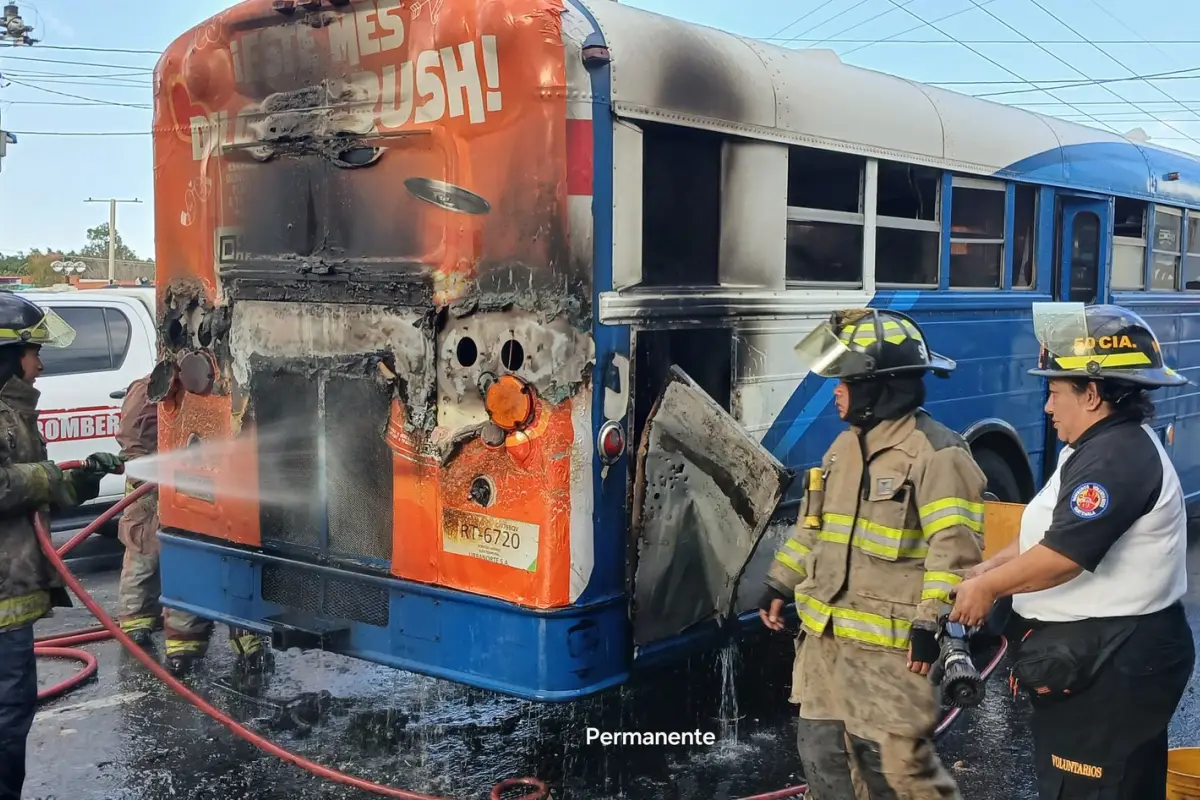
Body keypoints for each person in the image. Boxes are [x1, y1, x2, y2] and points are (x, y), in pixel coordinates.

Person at [950, 302, 1194, 800]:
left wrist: (988, 590)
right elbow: (1046, 531)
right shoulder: (1092, 448)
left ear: (1093, 393)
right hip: (1100, 658)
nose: (1046, 406)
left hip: (1115, 665)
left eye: (1054, 391)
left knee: (1092, 789)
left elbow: (1063, 555)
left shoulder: (1115, 457)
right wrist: (987, 568)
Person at [758, 308, 986, 800]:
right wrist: (781, 581)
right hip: (826, 650)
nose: (835, 390)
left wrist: (934, 625)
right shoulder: (843, 449)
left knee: (892, 778)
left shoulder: (937, 454)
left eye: (845, 380)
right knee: (823, 761)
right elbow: (813, 530)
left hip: (894, 659)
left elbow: (957, 555)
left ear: (877, 388)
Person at [0, 293, 124, 800]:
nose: (41, 362)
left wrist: (83, 482)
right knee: (7, 716)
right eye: (33, 351)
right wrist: (48, 477)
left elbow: (37, 492)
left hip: (11, 595)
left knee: (14, 712)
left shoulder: (14, 411)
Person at [114, 370, 271, 679]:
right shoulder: (165, 388)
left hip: (185, 490)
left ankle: (175, 642)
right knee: (209, 558)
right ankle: (159, 633)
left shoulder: (160, 386)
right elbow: (137, 438)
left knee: (175, 559)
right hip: (179, 490)